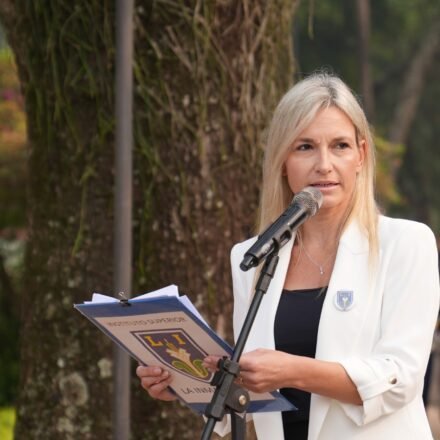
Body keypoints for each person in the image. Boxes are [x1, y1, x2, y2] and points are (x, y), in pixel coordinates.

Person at [136, 72, 440, 439]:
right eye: (305, 147)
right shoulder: (252, 257)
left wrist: (292, 370)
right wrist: (186, 382)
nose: (324, 164)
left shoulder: (406, 243)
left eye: (340, 146)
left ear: (361, 155)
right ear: (282, 160)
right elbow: (252, 399)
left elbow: (399, 379)